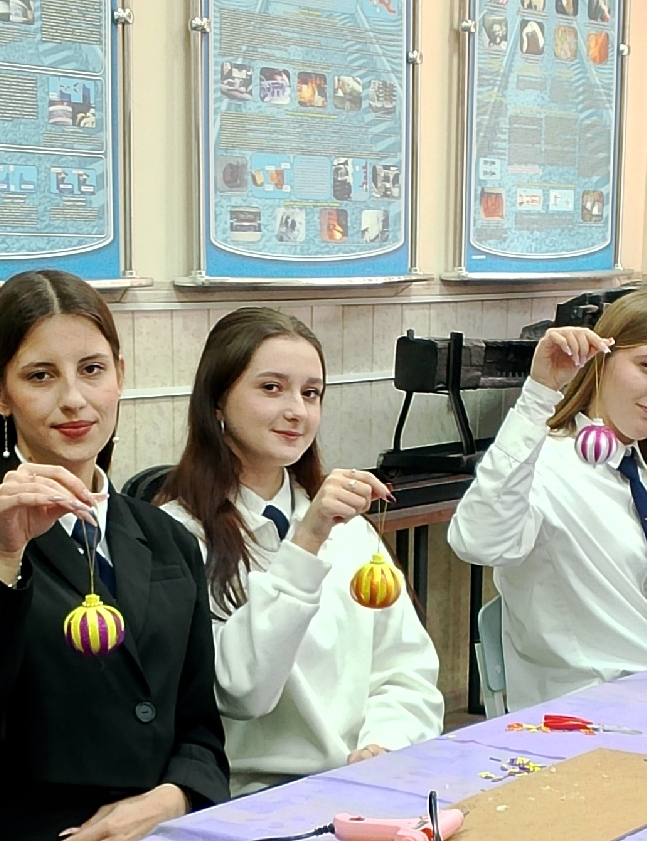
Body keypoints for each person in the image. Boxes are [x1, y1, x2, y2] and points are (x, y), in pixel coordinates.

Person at [0, 270, 227, 841]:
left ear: (120, 375)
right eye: (41, 376)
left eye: (92, 370)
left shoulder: (166, 538)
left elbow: (200, 730)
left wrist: (172, 798)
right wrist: (4, 556)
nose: (74, 399)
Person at [154, 307, 445, 789]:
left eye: (311, 393)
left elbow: (406, 668)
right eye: (272, 388)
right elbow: (243, 692)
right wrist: (307, 540)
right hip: (252, 797)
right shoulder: (177, 536)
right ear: (218, 401)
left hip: (367, 779)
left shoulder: (350, 531)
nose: (297, 411)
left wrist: (385, 744)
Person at [447, 289, 647, 707]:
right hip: (589, 713)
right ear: (601, 361)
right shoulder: (543, 463)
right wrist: (539, 395)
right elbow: (477, 542)